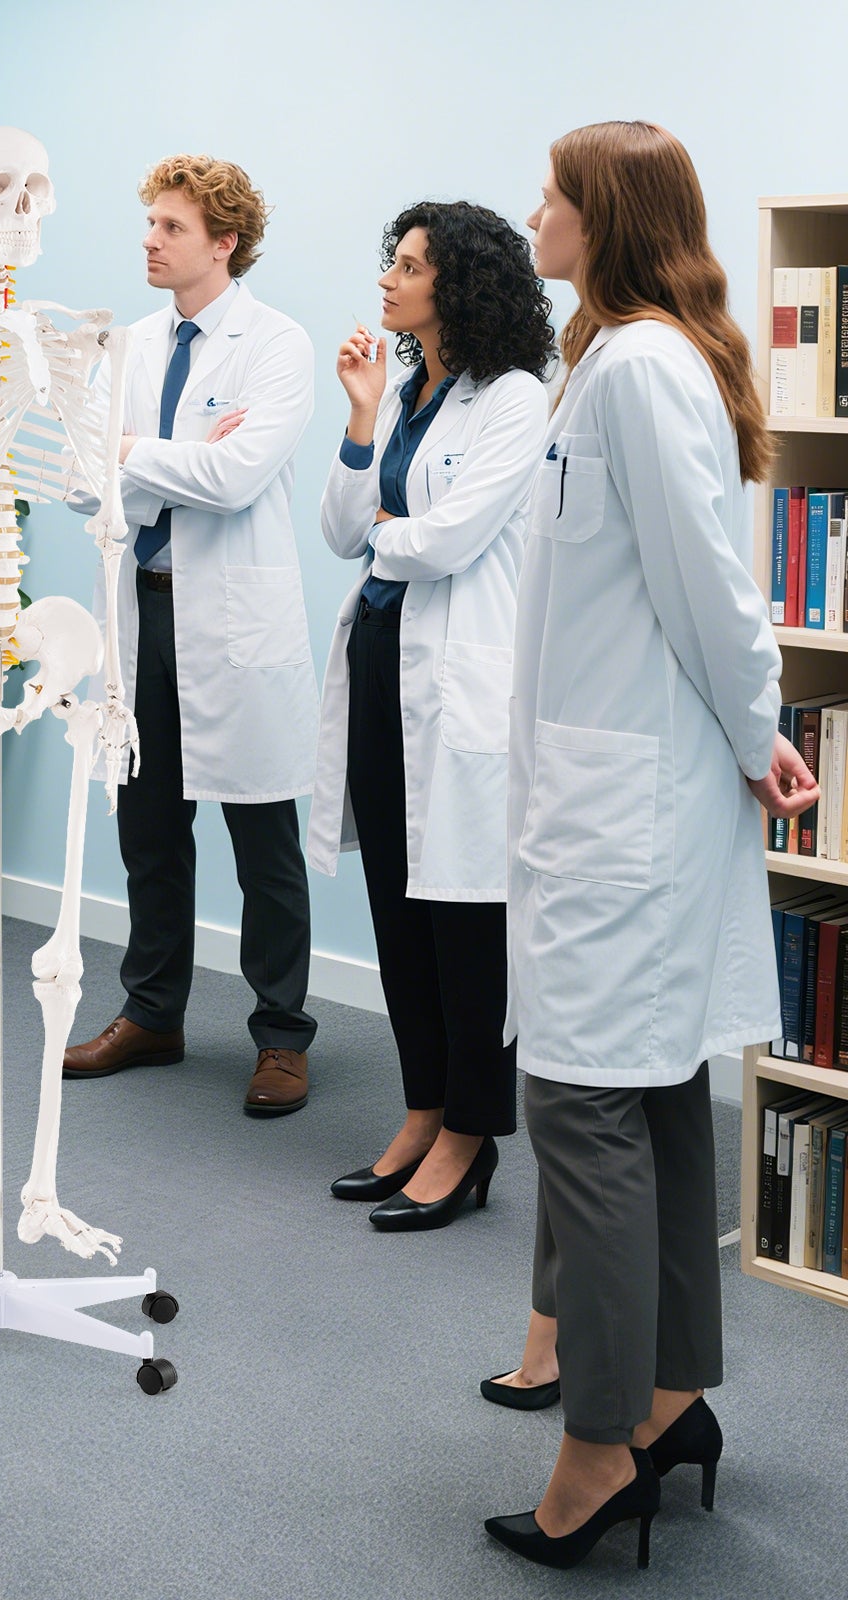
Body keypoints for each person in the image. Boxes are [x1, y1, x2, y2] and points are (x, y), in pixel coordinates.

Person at [483, 122, 817, 1569]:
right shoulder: (609, 363)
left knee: (584, 1113)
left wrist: (760, 731)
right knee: (653, 1096)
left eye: (554, 193)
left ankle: (598, 1442)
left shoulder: (639, 371)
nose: (535, 210)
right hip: (611, 794)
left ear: (603, 218)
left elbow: (713, 590)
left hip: (624, 812)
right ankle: (672, 1398)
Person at [306, 203, 553, 1230]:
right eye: (392, 262)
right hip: (377, 667)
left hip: (457, 687)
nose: (389, 279)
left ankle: (471, 1133)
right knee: (397, 912)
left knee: (464, 921)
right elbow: (338, 529)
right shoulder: (401, 389)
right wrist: (361, 417)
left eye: (408, 266)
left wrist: (389, 533)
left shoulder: (514, 399)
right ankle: (419, 1108)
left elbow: (448, 541)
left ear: (459, 286)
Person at [63, 154, 320, 1115]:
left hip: (233, 620)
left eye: (171, 228)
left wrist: (134, 454)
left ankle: (282, 1035)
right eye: (150, 224)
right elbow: (83, 479)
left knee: (264, 838)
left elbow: (239, 478)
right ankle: (153, 1013)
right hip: (143, 607)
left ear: (224, 242)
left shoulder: (277, 345)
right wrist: (165, 458)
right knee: (150, 829)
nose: (150, 241)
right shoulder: (127, 344)